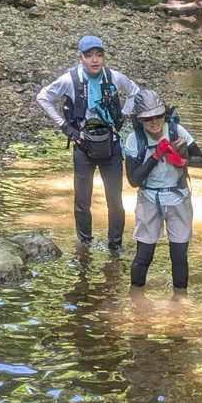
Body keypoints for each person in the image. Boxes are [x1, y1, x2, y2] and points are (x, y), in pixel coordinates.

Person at [35, 35, 140, 253]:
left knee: (115, 201)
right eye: (89, 55)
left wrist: (123, 115)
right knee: (82, 201)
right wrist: (65, 126)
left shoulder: (114, 77)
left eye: (99, 55)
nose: (94, 60)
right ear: (81, 58)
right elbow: (43, 97)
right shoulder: (69, 80)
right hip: (83, 147)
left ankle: (115, 246)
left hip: (111, 146)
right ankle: (85, 244)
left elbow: (135, 92)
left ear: (103, 57)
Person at [122, 89, 202, 291]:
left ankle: (180, 301)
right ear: (139, 119)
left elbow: (201, 160)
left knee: (179, 256)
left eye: (158, 116)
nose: (154, 122)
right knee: (144, 255)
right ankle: (136, 298)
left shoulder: (177, 131)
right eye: (148, 118)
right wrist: (156, 156)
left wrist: (182, 161)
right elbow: (134, 180)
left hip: (178, 197)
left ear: (164, 114)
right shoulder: (134, 140)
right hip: (149, 199)